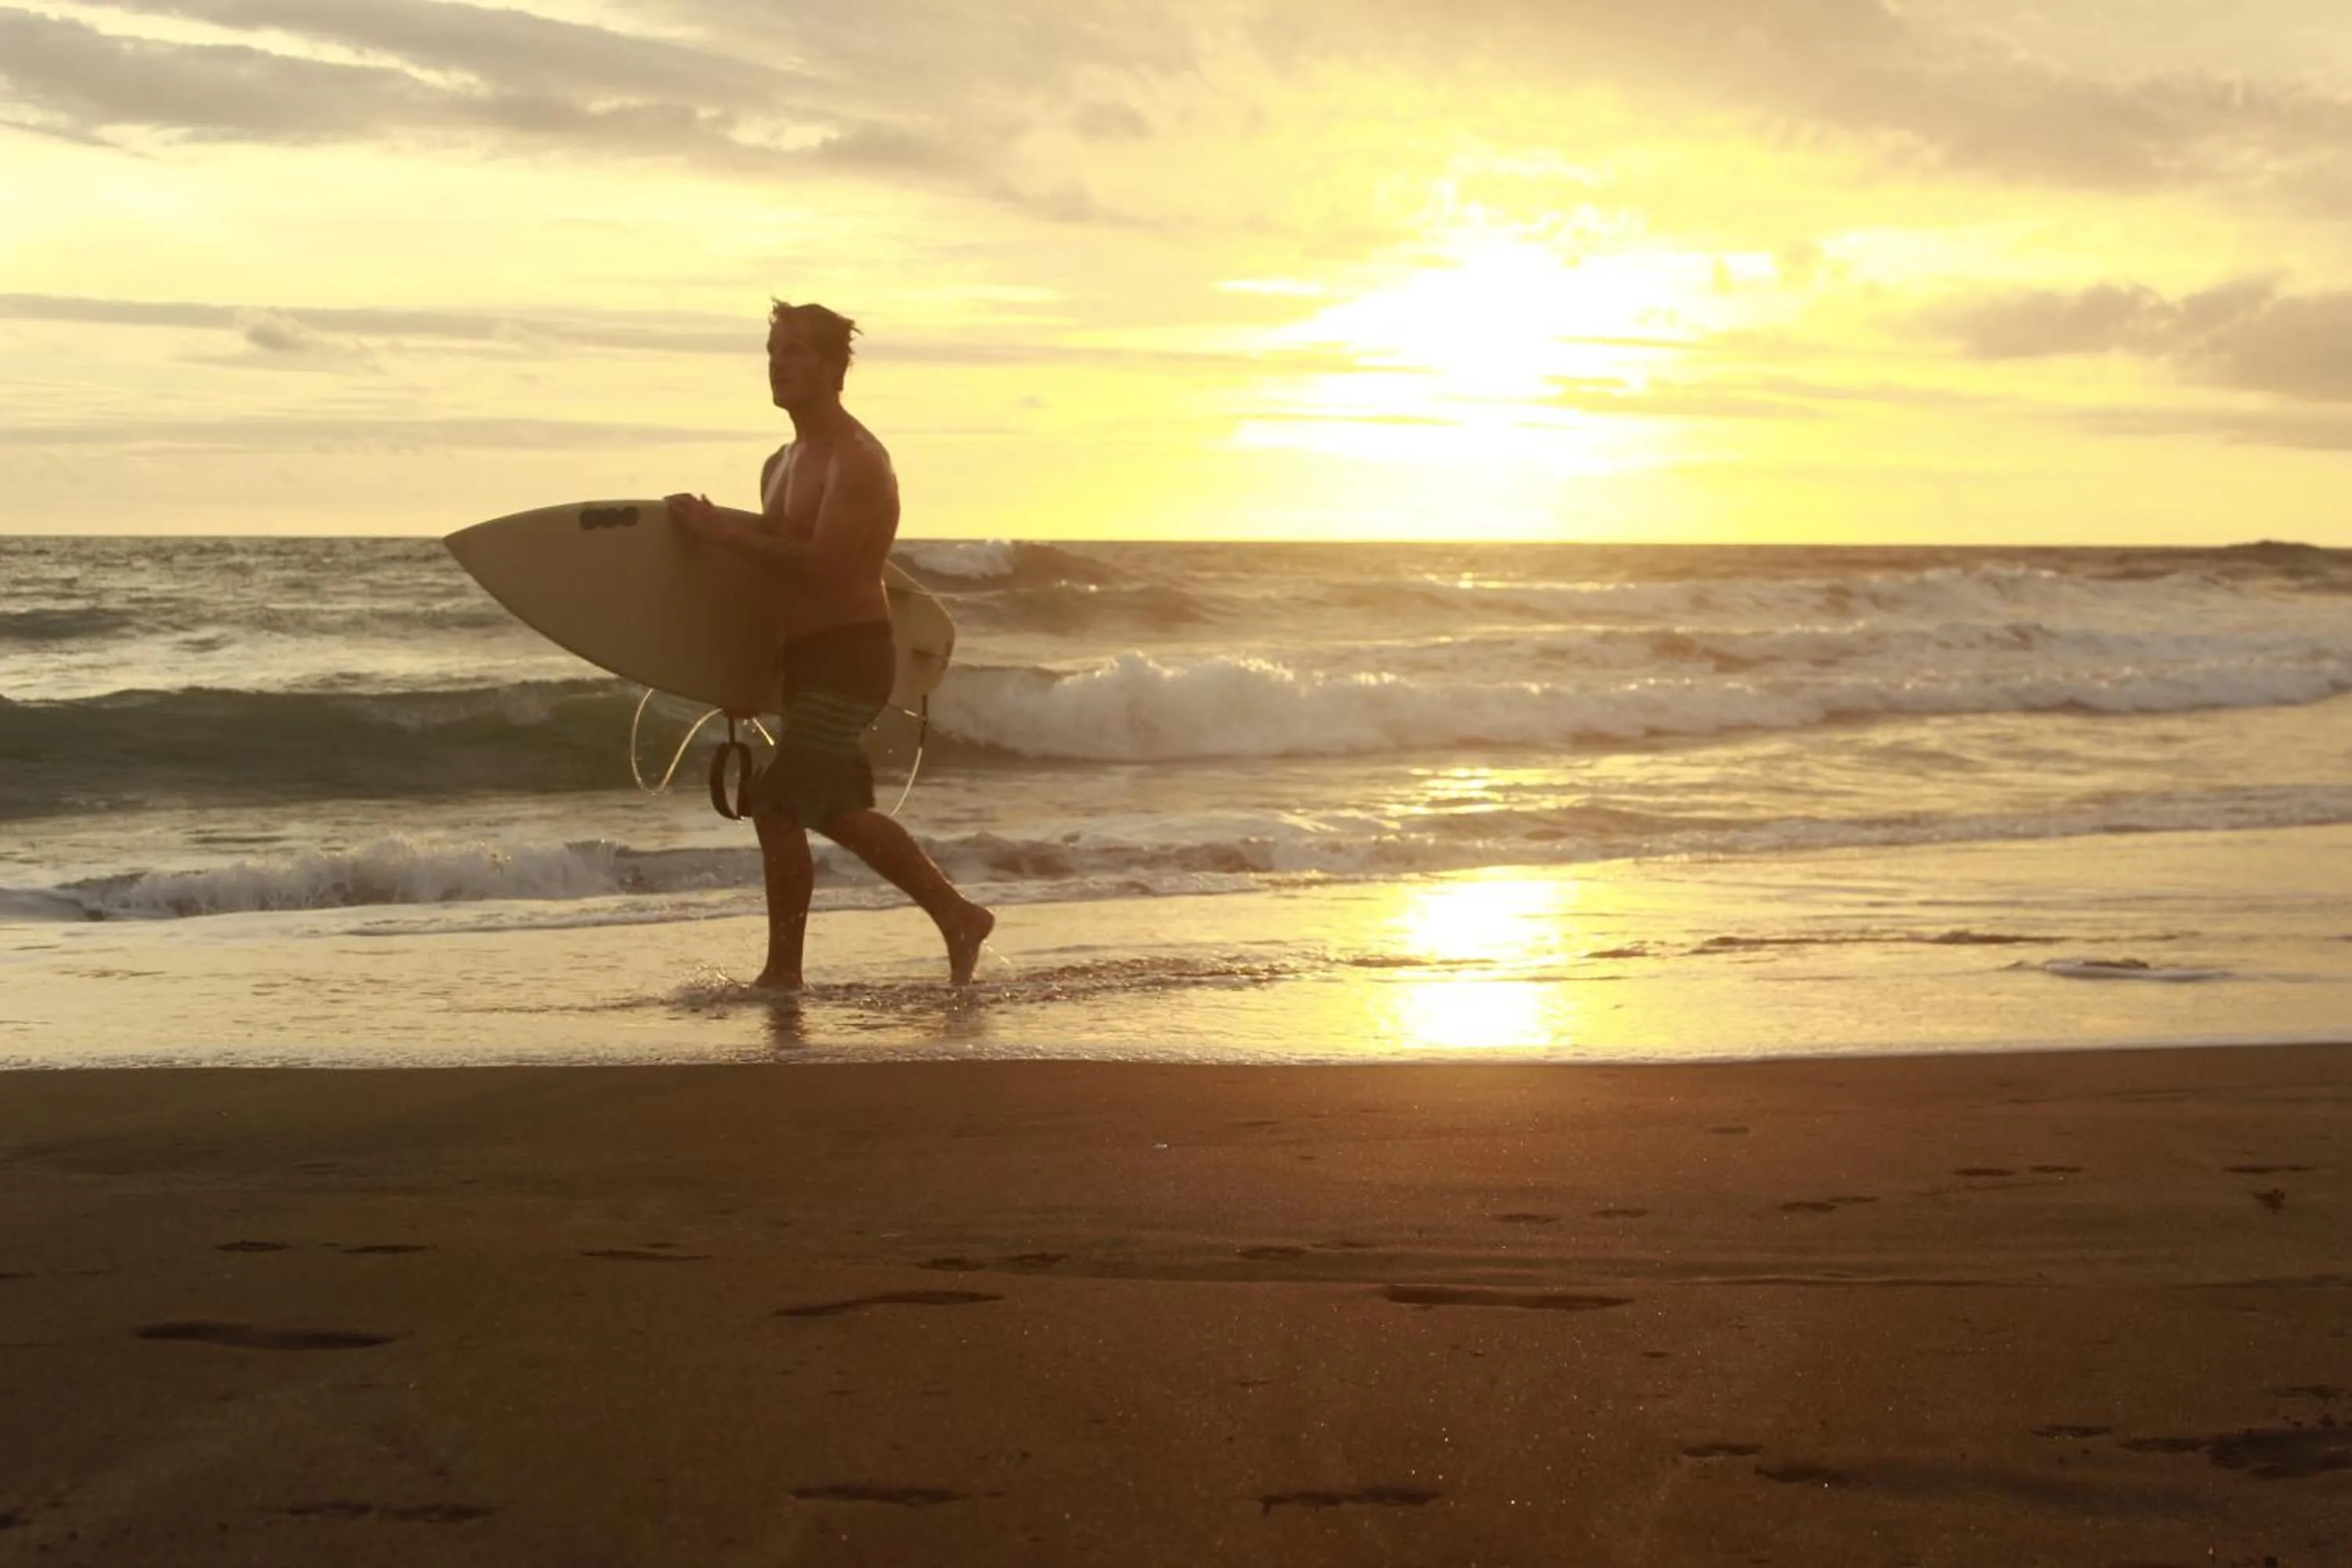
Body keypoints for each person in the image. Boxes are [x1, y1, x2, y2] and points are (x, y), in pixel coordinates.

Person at [666, 301, 994, 989]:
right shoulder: (780, 462)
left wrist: (723, 535)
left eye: (793, 352)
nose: (778, 365)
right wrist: (741, 667)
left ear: (832, 365)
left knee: (778, 805)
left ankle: (785, 972)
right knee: (836, 811)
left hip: (852, 654)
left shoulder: (858, 460)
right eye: (772, 352)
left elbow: (828, 567)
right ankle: (958, 917)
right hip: (806, 658)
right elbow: (772, 573)